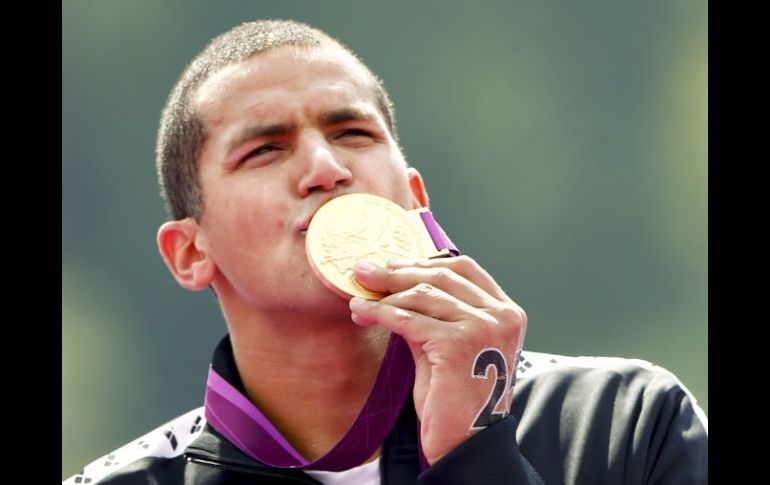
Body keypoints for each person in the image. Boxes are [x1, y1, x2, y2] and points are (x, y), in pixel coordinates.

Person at [64, 19, 708, 485]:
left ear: (416, 202)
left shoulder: (626, 426)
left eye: (353, 132)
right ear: (189, 254)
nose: (325, 167)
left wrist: (476, 456)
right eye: (265, 149)